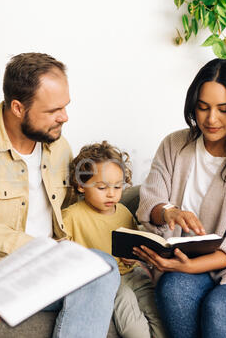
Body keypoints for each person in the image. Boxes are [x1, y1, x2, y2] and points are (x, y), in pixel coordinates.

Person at [0, 52, 120, 338]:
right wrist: (22, 245)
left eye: (65, 106)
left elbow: (70, 211)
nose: (64, 117)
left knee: (102, 265)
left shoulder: (57, 145)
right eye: (53, 110)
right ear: (17, 107)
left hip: (40, 275)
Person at [134, 58, 226, 338]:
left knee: (220, 308)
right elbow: (151, 200)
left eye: (224, 109)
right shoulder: (174, 145)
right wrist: (168, 211)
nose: (211, 119)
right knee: (174, 288)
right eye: (203, 107)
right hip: (180, 265)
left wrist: (192, 264)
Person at [62, 141, 166, 338]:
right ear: (81, 185)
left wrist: (135, 258)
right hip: (108, 282)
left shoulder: (125, 212)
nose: (111, 194)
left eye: (118, 187)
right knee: (133, 325)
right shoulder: (71, 216)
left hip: (134, 275)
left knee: (161, 314)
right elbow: (64, 256)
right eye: (102, 187)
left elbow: (134, 245)